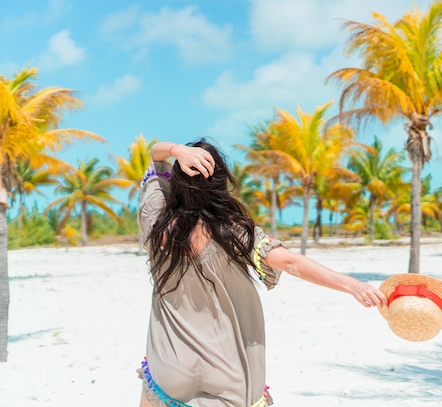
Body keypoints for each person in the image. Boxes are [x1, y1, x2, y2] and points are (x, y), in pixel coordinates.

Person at [137, 138, 387, 407]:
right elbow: (291, 263)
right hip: (227, 373)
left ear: (175, 183)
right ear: (221, 185)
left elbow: (155, 156)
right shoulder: (234, 233)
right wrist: (352, 285)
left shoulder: (154, 220)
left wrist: (177, 151)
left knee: (155, 390)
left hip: (170, 365)